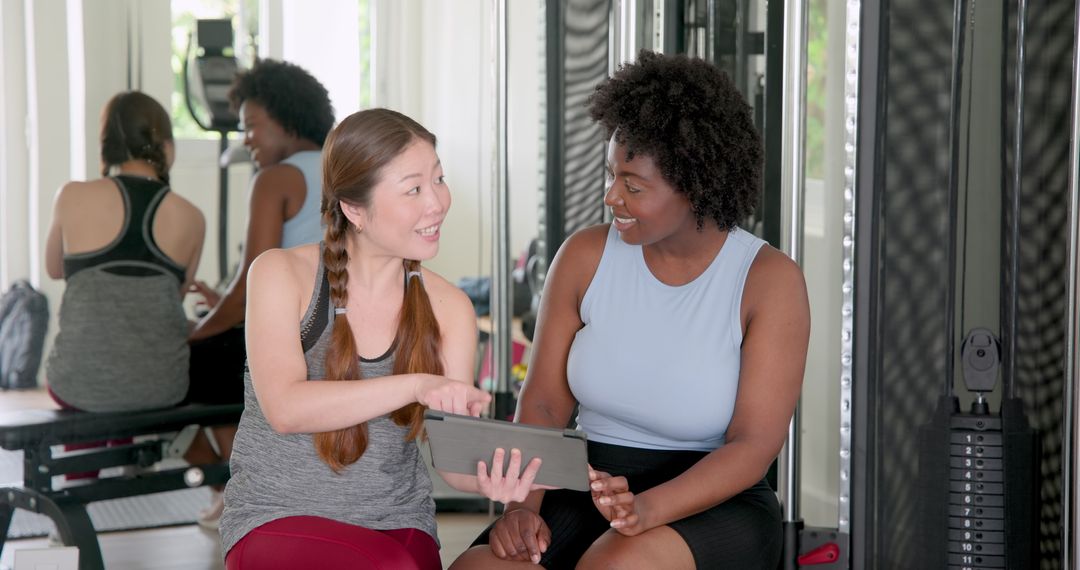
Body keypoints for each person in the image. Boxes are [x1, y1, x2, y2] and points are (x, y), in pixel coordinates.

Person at [452, 50, 810, 569]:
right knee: (479, 567)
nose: (611, 196)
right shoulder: (583, 255)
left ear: (695, 185)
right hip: (588, 483)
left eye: (633, 186)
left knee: (614, 566)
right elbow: (546, 405)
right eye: (611, 175)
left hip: (712, 497)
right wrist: (520, 506)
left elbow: (752, 446)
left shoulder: (769, 281)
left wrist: (646, 508)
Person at [219, 108, 544, 570]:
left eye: (439, 179)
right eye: (413, 189)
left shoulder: (450, 308)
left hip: (397, 523)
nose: (437, 202)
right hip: (278, 518)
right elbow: (286, 410)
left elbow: (451, 462)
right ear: (354, 209)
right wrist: (415, 386)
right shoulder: (279, 274)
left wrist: (491, 481)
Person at [183, 59, 335, 528]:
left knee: (187, 359)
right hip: (340, 327)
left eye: (252, 126)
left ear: (286, 121)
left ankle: (236, 487)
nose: (246, 138)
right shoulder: (342, 167)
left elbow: (252, 287)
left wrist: (197, 334)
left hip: (293, 337)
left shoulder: (277, 178)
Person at [45, 90, 205, 414]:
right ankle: (128, 456)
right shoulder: (191, 216)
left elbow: (54, 269)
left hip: (74, 384)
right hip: (163, 387)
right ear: (167, 146)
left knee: (92, 405)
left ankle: (84, 464)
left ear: (107, 146)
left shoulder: (72, 195)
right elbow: (176, 295)